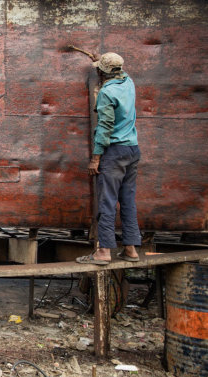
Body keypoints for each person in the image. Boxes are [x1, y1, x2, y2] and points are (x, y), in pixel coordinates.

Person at [77, 52, 141, 265]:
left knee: (107, 202)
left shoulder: (106, 92)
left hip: (113, 152)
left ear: (101, 72)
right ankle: (131, 249)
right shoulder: (129, 82)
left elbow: (104, 127)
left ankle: (103, 251)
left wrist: (96, 158)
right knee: (128, 200)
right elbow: (117, 70)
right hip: (132, 150)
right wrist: (102, 59)